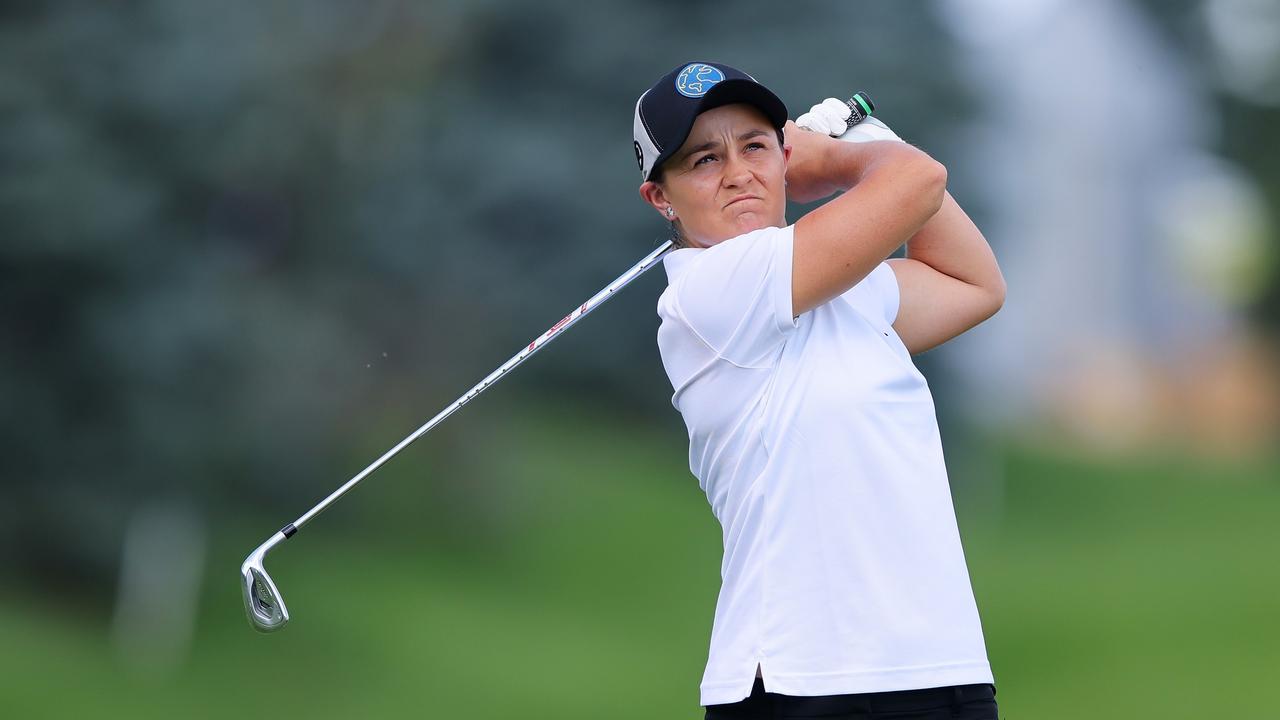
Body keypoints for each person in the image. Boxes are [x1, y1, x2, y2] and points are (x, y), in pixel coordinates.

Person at [633, 61, 1007, 720]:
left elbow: (974, 285)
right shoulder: (707, 293)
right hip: (801, 680)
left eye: (754, 146)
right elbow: (919, 180)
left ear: (782, 156)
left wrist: (865, 139)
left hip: (936, 666)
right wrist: (840, 159)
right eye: (702, 160)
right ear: (660, 198)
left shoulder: (852, 290)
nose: (737, 172)